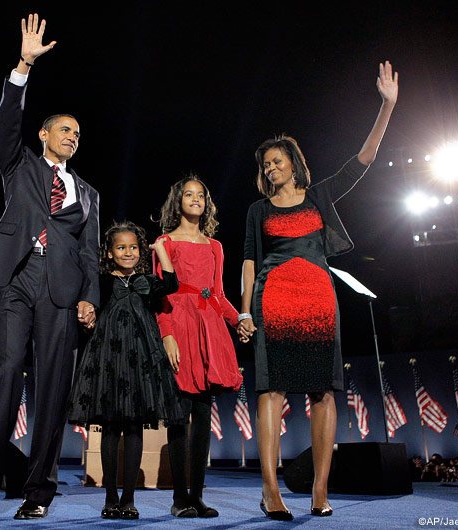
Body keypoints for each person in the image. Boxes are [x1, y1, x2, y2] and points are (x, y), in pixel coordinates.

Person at [239, 61, 398, 519]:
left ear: (293, 160)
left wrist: (386, 107)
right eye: (265, 164)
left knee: (324, 393)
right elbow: (249, 260)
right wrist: (246, 312)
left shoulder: (319, 195)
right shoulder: (256, 210)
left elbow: (362, 160)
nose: (271, 168)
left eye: (277, 160)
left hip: (317, 301)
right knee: (271, 392)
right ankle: (271, 491)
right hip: (274, 300)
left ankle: (320, 492)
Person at [0, 13, 100, 524]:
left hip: (62, 293)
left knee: (53, 390)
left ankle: (38, 490)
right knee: (6, 376)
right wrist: (24, 64)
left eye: (78, 133)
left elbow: (90, 251)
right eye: (65, 130)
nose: (73, 137)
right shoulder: (18, 164)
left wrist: (90, 297)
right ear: (44, 134)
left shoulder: (89, 194)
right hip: (16, 279)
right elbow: (5, 125)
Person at [68, 222, 186, 519]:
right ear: (109, 252)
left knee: (134, 426)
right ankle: (110, 498)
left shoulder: (147, 280)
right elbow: (86, 303)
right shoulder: (102, 281)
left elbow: (171, 284)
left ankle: (129, 499)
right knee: (110, 427)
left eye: (133, 247)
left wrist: (160, 250)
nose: (128, 252)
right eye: (121, 247)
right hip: (108, 359)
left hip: (140, 361)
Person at [154, 176, 243, 518]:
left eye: (201, 195)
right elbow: (160, 295)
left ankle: (197, 497)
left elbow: (218, 295)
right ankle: (179, 499)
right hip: (179, 327)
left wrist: (239, 321)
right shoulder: (165, 242)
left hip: (209, 330)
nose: (195, 199)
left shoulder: (215, 246)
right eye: (188, 194)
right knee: (179, 417)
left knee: (204, 418)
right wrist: (167, 336)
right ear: (177, 201)